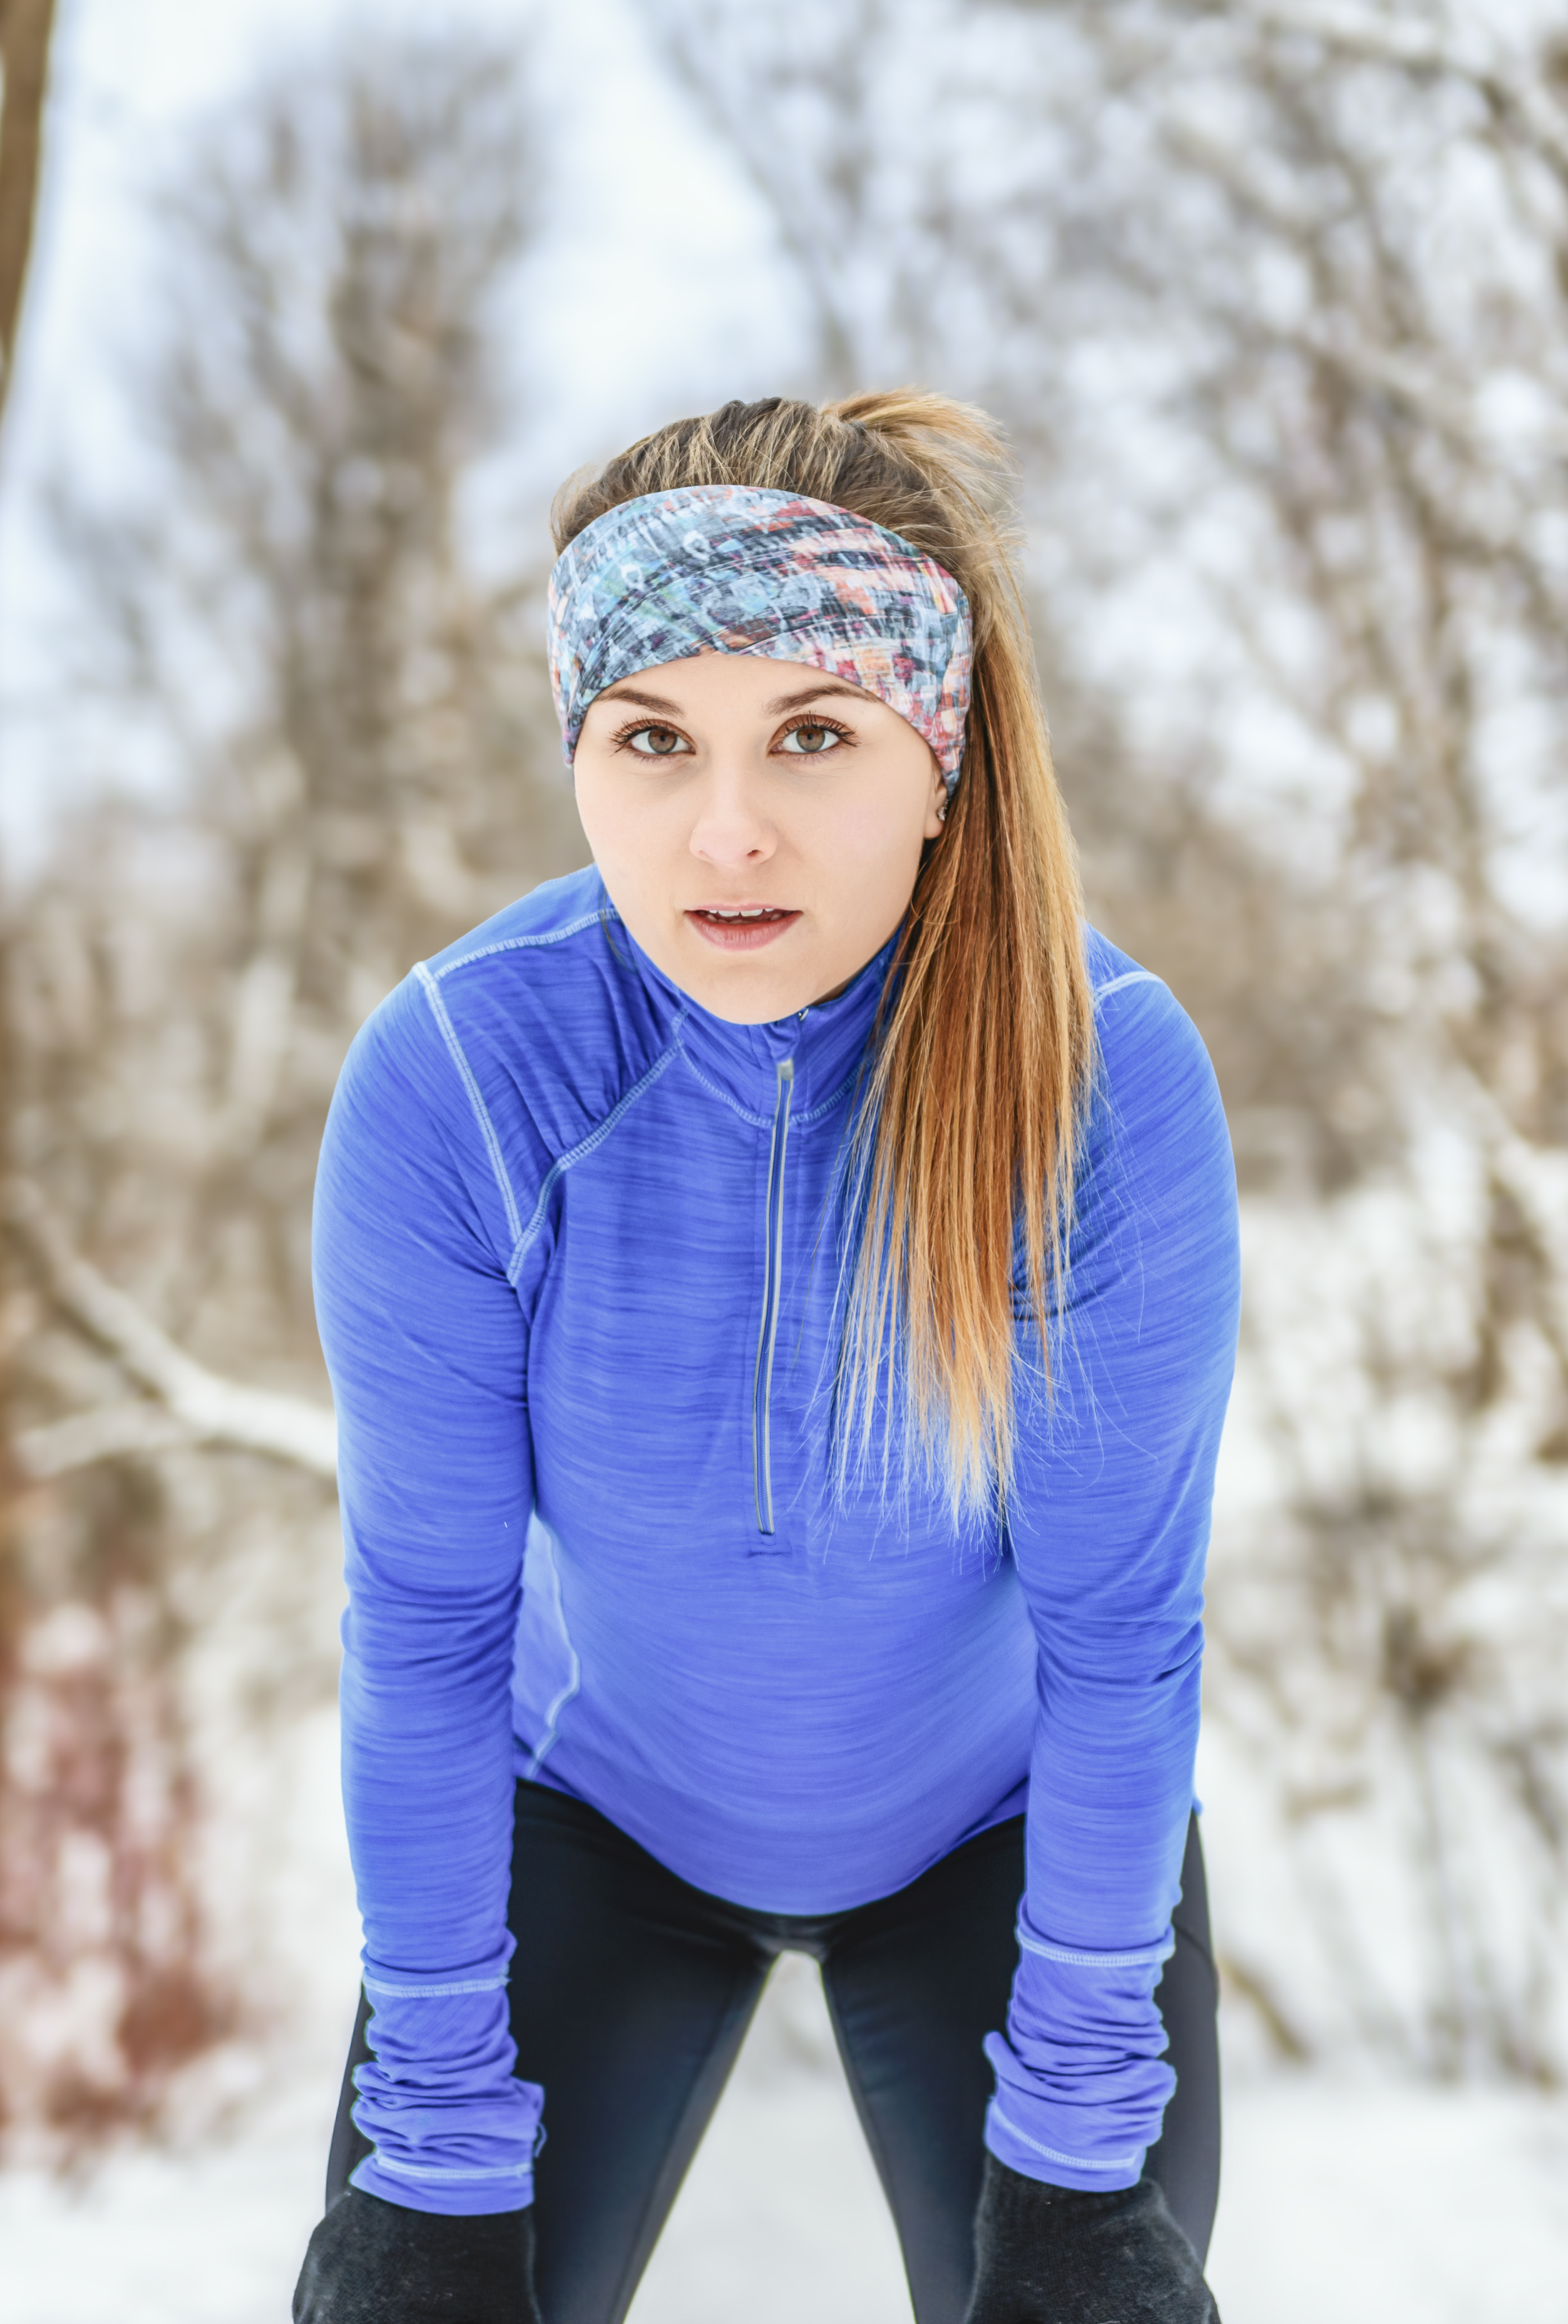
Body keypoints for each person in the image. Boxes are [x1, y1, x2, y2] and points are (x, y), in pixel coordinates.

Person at [290, 392, 1242, 2324]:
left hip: (1005, 1842)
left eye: (811, 734)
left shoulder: (1100, 1080)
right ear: (581, 753)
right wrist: (445, 2155)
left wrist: (1069, 2168)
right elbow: (428, 1626)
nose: (724, 827)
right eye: (652, 740)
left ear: (938, 759)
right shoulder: (463, 1080)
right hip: (591, 1820)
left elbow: (1120, 1638)